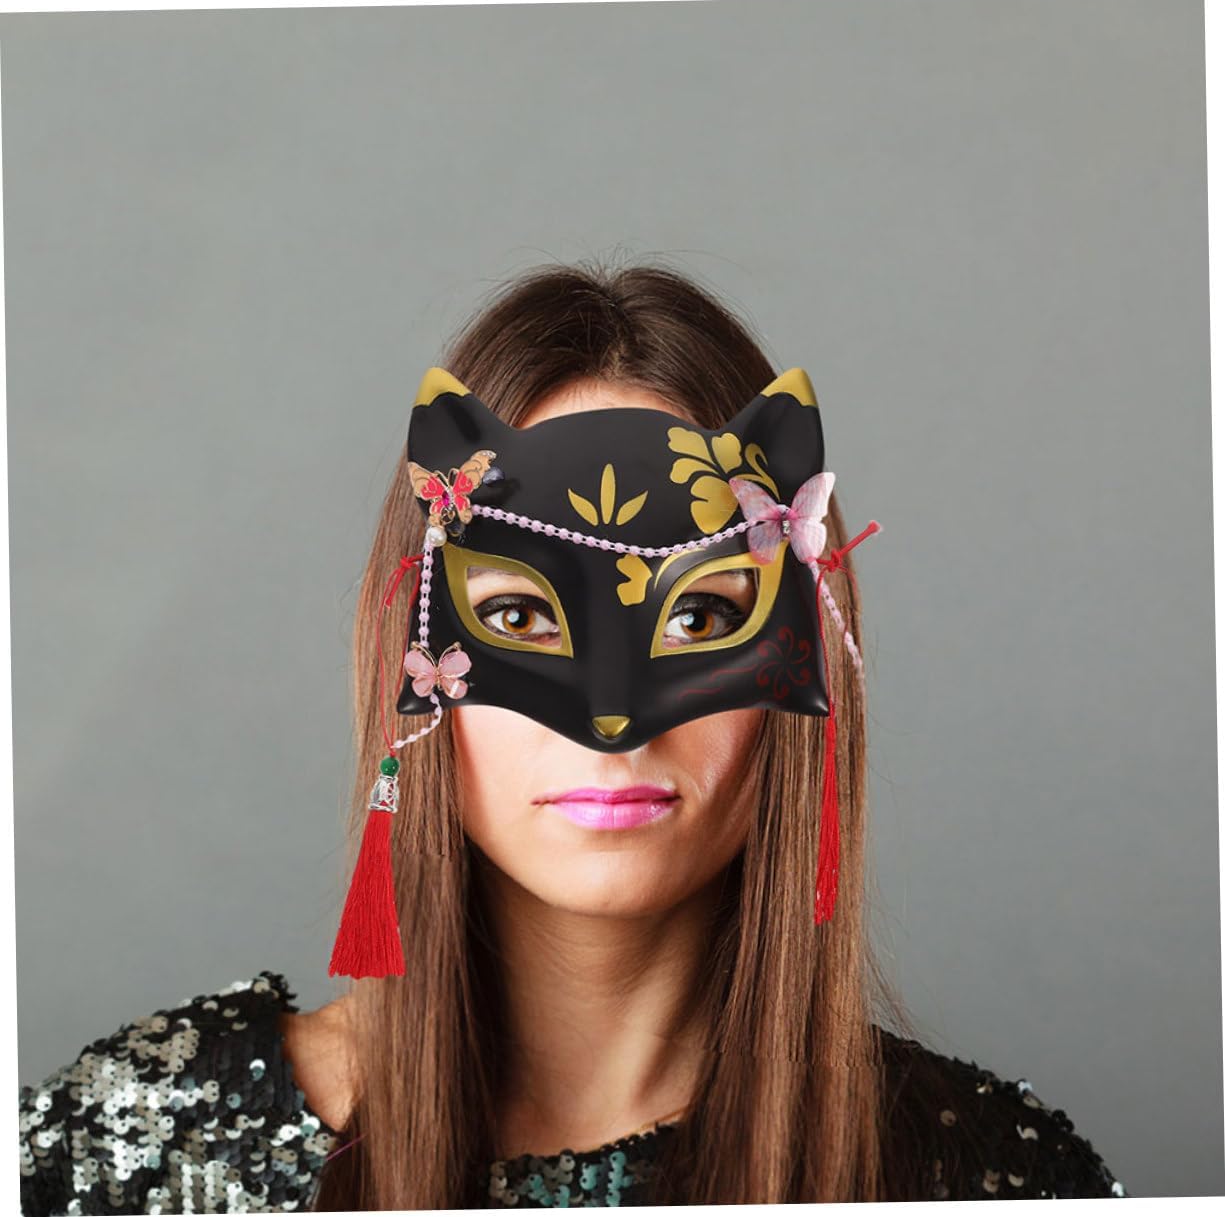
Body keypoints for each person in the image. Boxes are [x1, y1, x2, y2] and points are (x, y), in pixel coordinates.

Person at [17, 260, 1127, 1212]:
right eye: (518, 615)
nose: (612, 720)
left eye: (700, 618)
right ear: (413, 656)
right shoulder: (137, 1154)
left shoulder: (981, 1180)